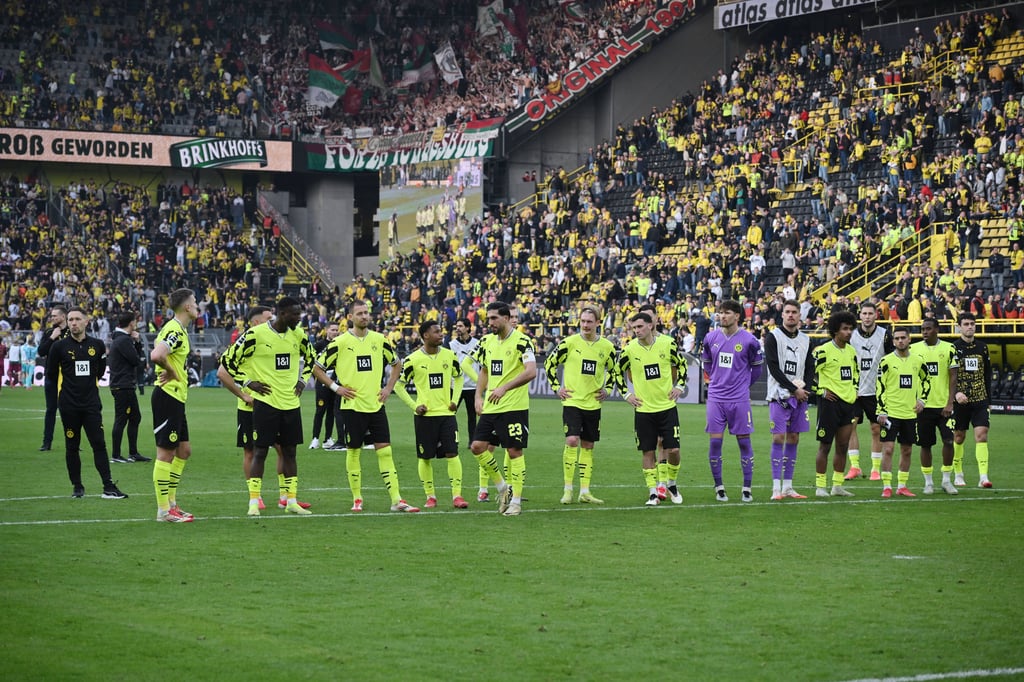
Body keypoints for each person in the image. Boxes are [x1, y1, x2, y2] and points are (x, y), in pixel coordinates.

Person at [221, 297, 334, 516]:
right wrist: (248, 383)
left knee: (290, 452)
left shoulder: (298, 335)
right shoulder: (256, 335)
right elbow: (229, 362)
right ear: (282, 314)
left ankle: (291, 500)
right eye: (295, 314)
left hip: (291, 403)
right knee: (260, 451)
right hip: (265, 403)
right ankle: (254, 502)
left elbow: (312, 359)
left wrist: (302, 381)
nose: (299, 318)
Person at [319, 300, 419, 513]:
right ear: (351, 317)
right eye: (360, 313)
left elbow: (396, 363)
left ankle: (396, 500)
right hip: (352, 407)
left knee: (385, 452)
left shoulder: (379, 340)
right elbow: (317, 367)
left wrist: (388, 388)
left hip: (376, 405)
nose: (364, 316)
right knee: (354, 452)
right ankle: (357, 499)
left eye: (366, 313)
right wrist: (336, 388)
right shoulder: (340, 342)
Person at [44, 306, 127, 500]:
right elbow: (51, 374)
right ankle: (77, 486)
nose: (73, 323)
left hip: (91, 405)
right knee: (72, 446)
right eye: (71, 319)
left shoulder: (97, 345)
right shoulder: (59, 347)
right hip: (68, 406)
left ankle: (108, 486)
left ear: (86, 321)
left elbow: (100, 370)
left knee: (99, 444)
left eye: (77, 319)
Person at [464, 301, 533, 516]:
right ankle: (503, 488)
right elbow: (484, 370)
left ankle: (517, 502)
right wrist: (477, 396)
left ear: (506, 317)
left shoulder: (522, 341)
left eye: (494, 318)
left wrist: (504, 387)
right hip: (492, 406)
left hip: (514, 406)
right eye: (488, 319)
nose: (490, 323)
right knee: (477, 446)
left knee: (514, 451)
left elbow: (531, 371)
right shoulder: (487, 342)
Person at [544, 306, 616, 505]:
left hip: (593, 403)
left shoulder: (607, 347)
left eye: (589, 321)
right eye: (582, 321)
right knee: (572, 440)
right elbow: (550, 363)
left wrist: (608, 389)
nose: (585, 325)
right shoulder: (569, 343)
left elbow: (615, 370)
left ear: (597, 323)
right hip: (573, 401)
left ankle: (585, 491)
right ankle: (568, 489)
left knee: (588, 444)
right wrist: (557, 387)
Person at [394, 319, 469, 509]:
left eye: (440, 331)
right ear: (425, 335)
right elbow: (399, 386)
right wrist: (414, 405)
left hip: (446, 415)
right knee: (425, 457)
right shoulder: (413, 359)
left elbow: (459, 378)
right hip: (425, 418)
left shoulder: (449, 356)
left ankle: (457, 496)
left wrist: (455, 399)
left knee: (452, 453)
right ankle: (430, 496)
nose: (440, 334)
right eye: (436, 332)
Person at [616, 311, 687, 506]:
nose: (636, 331)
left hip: (666, 407)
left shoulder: (667, 344)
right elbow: (616, 372)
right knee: (647, 451)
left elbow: (682, 366)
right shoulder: (629, 349)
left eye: (639, 327)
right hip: (644, 410)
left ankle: (671, 483)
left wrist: (679, 387)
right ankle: (653, 492)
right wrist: (627, 395)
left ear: (650, 325)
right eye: (634, 328)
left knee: (673, 449)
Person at [700, 299, 764, 502]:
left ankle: (747, 488)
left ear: (737, 316)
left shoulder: (750, 340)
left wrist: (743, 385)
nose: (722, 316)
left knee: (744, 443)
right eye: (720, 313)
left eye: (727, 313)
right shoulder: (710, 338)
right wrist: (717, 381)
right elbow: (707, 363)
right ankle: (719, 487)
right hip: (716, 398)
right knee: (715, 443)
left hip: (739, 400)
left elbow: (757, 368)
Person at [150, 288, 200, 522]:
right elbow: (157, 355)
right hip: (167, 396)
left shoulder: (177, 329)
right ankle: (163, 511)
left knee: (184, 450)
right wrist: (171, 372)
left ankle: (171, 503)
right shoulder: (175, 330)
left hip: (176, 398)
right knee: (166, 453)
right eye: (195, 302)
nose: (198, 306)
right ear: (188, 307)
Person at [764, 299, 814, 500]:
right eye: (788, 311)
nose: (791, 315)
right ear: (782, 314)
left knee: (794, 437)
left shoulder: (806, 339)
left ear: (800, 315)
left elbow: (810, 367)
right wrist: (794, 389)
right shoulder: (773, 337)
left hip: (800, 397)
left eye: (795, 311)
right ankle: (776, 487)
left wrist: (805, 389)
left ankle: (788, 486)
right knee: (778, 437)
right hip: (779, 395)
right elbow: (774, 368)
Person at [875, 328, 930, 498]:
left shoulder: (918, 361)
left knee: (907, 450)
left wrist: (922, 400)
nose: (900, 341)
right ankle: (886, 486)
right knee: (889, 449)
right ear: (893, 341)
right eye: (897, 338)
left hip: (910, 414)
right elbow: (879, 387)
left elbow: (927, 381)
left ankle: (902, 486)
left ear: (909, 339)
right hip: (890, 413)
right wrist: (881, 410)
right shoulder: (885, 361)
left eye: (903, 338)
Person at [811, 310, 860, 498]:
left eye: (850, 329)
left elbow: (856, 374)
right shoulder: (823, 351)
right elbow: (808, 375)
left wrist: (854, 390)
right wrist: (821, 391)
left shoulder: (852, 352)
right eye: (844, 329)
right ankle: (820, 486)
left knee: (843, 446)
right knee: (825, 446)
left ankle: (837, 486)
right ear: (835, 331)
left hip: (848, 405)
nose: (848, 332)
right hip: (829, 405)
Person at [911, 317, 960, 495]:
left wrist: (950, 402)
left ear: (937, 329)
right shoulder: (913, 349)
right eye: (923, 329)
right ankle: (928, 482)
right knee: (925, 445)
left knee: (948, 441)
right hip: (923, 406)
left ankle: (947, 480)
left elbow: (953, 377)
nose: (925, 331)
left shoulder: (949, 348)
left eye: (928, 328)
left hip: (943, 406)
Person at [846, 301, 894, 481]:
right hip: (855, 390)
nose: (867, 317)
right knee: (850, 426)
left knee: (876, 428)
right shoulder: (851, 335)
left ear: (876, 315)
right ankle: (855, 466)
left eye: (870, 314)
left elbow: (891, 361)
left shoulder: (885, 335)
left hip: (876, 390)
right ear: (860, 316)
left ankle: (875, 468)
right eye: (864, 314)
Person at [449, 317, 493, 501]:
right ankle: (450, 440)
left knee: (472, 417)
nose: (458, 328)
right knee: (449, 415)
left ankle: (472, 441)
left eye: (460, 326)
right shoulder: (451, 344)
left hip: (472, 386)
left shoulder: (477, 343)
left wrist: (479, 384)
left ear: (468, 328)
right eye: (457, 326)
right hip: (456, 386)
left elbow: (480, 366)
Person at [951, 313, 994, 488]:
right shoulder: (953, 348)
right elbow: (949, 376)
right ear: (959, 327)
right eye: (966, 324)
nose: (970, 327)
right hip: (960, 401)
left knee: (981, 435)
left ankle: (983, 476)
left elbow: (987, 374)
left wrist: (989, 399)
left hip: (980, 399)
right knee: (959, 437)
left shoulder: (983, 348)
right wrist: (955, 394)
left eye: (972, 324)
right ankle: (958, 473)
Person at [107, 312, 151, 464]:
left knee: (134, 417)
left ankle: (132, 453)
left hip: (123, 385)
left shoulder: (120, 339)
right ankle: (116, 455)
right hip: (123, 385)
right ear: (131, 323)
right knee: (121, 419)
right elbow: (136, 361)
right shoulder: (124, 340)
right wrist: (138, 343)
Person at [37, 306, 69, 451]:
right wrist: (51, 338)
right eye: (52, 316)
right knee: (51, 409)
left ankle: (72, 440)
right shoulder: (49, 332)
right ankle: (46, 442)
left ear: (63, 317)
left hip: (68, 378)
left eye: (55, 316)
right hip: (51, 376)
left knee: (68, 410)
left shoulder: (71, 332)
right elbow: (41, 351)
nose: (52, 318)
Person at [309, 321, 341, 450]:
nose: (335, 332)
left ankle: (327, 438)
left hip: (335, 383)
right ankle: (315, 438)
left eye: (337, 330)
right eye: (332, 330)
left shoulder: (339, 344)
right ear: (326, 330)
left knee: (332, 412)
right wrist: (316, 377)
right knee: (320, 410)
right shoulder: (319, 345)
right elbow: (311, 362)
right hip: (322, 383)